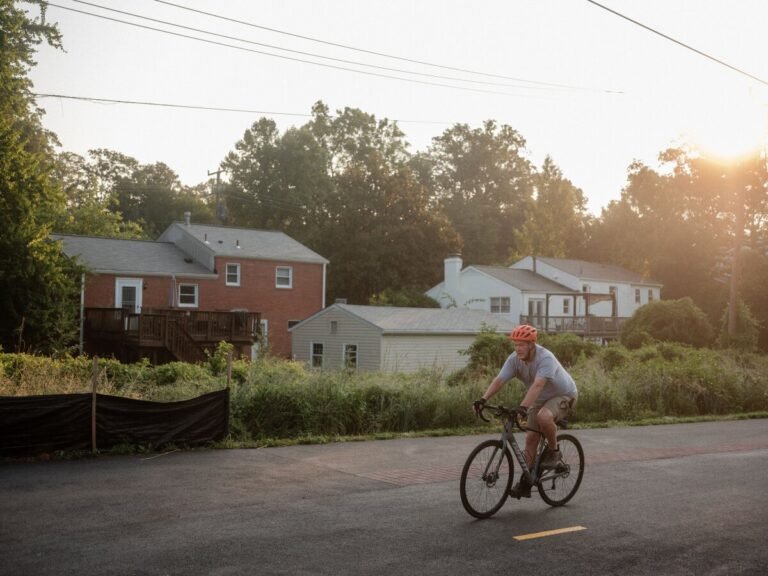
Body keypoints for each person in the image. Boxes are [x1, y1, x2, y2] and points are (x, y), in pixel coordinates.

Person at [473, 324, 577, 499]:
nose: (518, 349)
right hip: (540, 399)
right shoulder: (514, 359)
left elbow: (538, 385)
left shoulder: (545, 358)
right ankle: (526, 483)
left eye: (522, 344)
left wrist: (522, 408)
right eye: (515, 345)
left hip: (564, 395)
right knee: (530, 439)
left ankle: (554, 452)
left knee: (544, 416)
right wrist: (483, 400)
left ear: (531, 345)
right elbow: (499, 380)